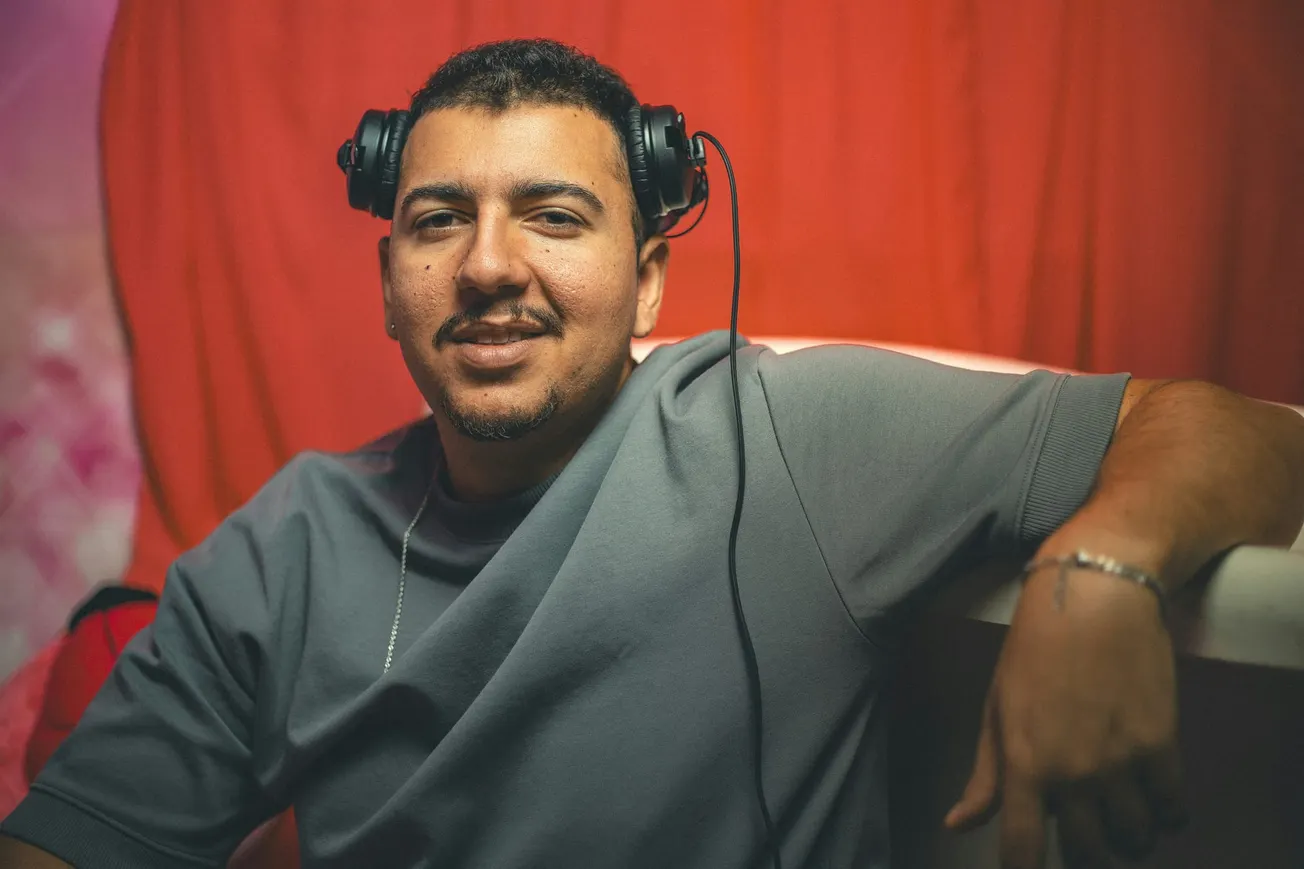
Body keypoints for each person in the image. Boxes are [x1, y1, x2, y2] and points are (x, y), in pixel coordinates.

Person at [3, 37, 1303, 869]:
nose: (491, 264)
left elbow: (1226, 429)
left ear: (647, 285)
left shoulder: (784, 434)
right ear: (390, 277)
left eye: (554, 217)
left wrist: (1102, 568)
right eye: (438, 221)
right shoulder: (283, 552)